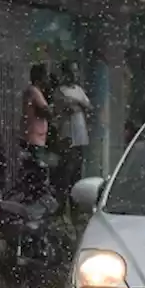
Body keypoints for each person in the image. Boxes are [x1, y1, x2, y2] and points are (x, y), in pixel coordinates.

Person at [52, 60, 93, 208]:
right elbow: (63, 107)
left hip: (80, 136)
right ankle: (63, 206)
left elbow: (88, 106)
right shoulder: (60, 91)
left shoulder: (79, 90)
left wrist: (77, 103)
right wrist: (76, 104)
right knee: (66, 173)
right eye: (71, 72)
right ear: (65, 74)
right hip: (67, 136)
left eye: (75, 71)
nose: (74, 75)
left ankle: (76, 206)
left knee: (77, 172)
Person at [20, 63, 56, 201]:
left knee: (34, 174)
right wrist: (54, 106)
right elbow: (47, 112)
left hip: (33, 138)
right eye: (46, 76)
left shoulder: (32, 91)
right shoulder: (34, 91)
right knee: (37, 176)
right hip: (34, 139)